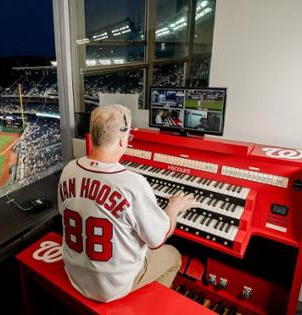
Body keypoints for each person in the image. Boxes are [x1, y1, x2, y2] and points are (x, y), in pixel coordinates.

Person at [57, 105, 198, 302]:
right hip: (110, 288)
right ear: (123, 140)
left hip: (75, 273)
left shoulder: (69, 170)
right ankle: (147, 304)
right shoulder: (133, 183)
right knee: (173, 255)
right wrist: (173, 208)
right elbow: (158, 240)